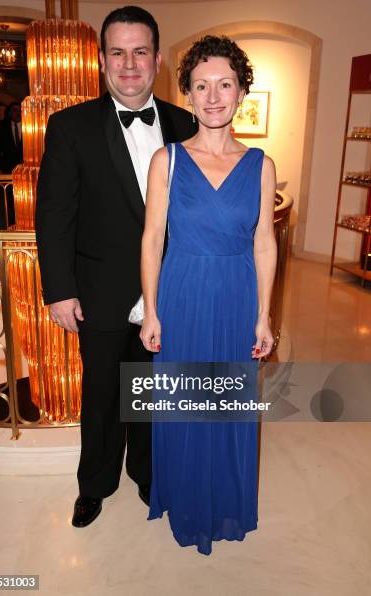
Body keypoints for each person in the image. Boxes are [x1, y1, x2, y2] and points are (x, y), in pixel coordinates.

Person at [35, 6, 197, 529]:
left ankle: (149, 476)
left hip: (168, 294)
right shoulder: (69, 126)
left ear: (156, 59)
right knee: (102, 396)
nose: (130, 64)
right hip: (99, 294)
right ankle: (95, 486)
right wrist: (59, 291)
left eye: (141, 51)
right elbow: (55, 216)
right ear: (102, 59)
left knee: (152, 394)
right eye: (118, 52)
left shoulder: (185, 122)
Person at [140, 35, 277, 555]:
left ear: (241, 92)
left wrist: (265, 316)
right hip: (183, 295)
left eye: (224, 84)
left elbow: (265, 243)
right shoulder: (167, 161)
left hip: (237, 296)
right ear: (188, 95)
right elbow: (152, 239)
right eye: (202, 86)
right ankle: (187, 497)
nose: (213, 95)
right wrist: (151, 309)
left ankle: (225, 498)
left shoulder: (261, 166)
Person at [0, 101, 23, 173]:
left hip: (24, 167)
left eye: (20, 110)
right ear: (9, 113)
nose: (18, 113)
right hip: (8, 166)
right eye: (15, 110)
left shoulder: (29, 127)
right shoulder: (2, 127)